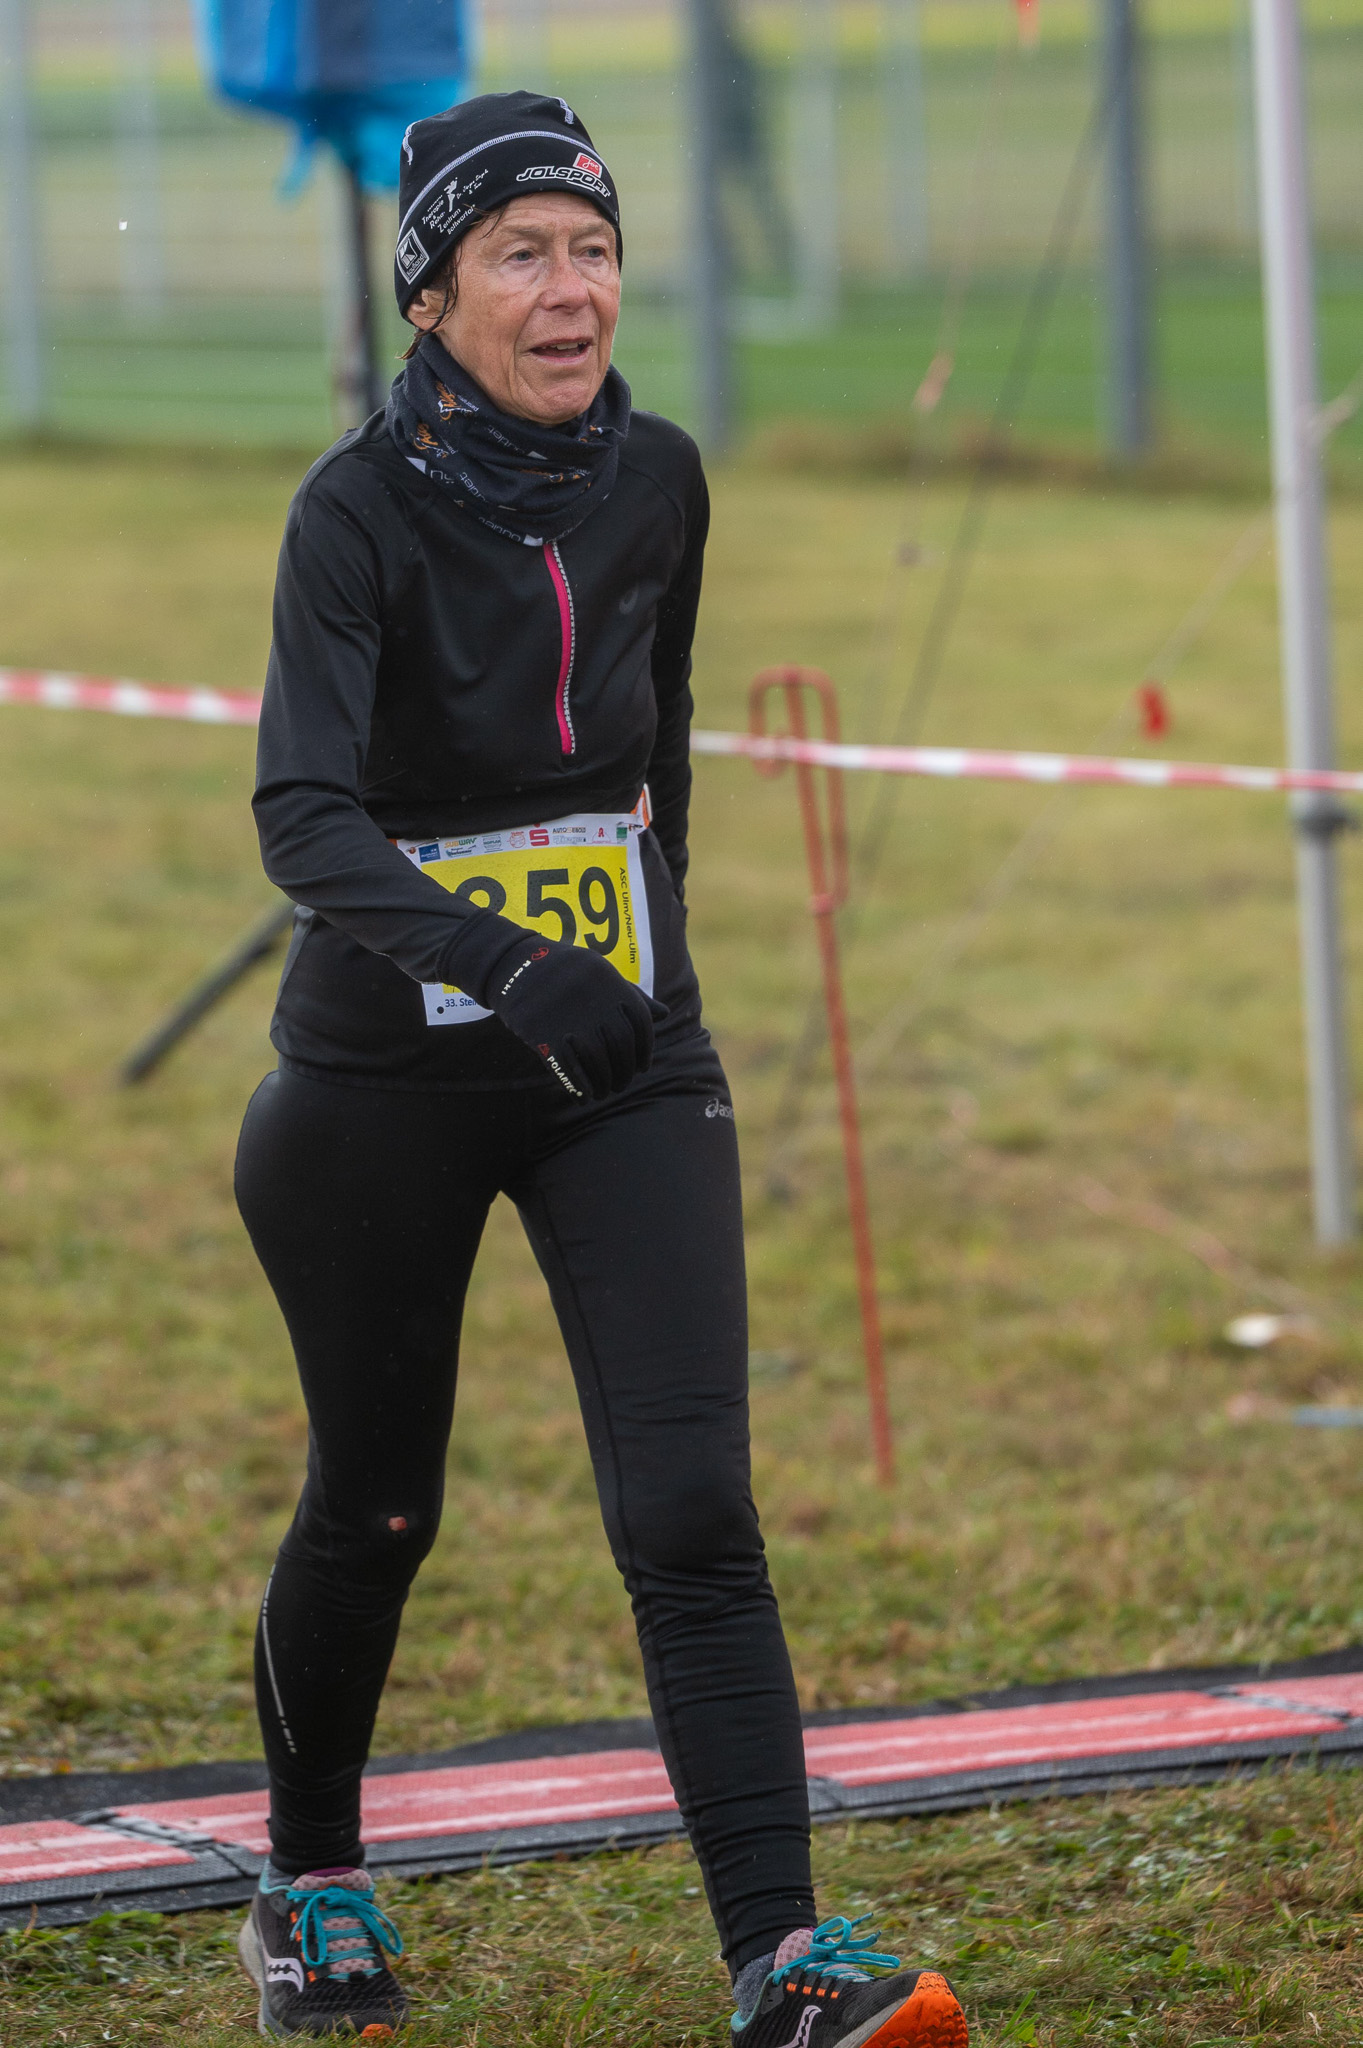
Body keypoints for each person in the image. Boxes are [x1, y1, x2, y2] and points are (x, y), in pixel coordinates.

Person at [231, 89, 969, 2046]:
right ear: (433, 294)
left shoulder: (661, 479)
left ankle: (780, 1960)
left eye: (595, 249)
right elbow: (301, 817)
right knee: (379, 1509)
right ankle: (310, 1878)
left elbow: (666, 723)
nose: (572, 293)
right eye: (521, 257)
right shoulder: (352, 515)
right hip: (379, 1082)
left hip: (623, 1059)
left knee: (695, 1510)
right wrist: (506, 963)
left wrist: (651, 950)